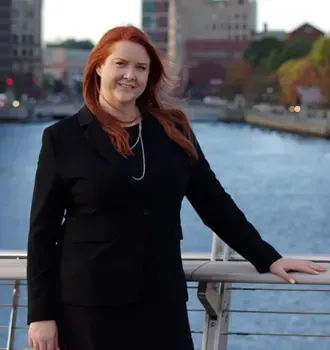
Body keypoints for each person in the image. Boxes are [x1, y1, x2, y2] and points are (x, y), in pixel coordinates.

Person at [27, 25, 326, 350]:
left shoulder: (173, 129)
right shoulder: (63, 138)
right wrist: (40, 315)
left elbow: (214, 202)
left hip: (161, 301)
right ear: (99, 67)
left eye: (141, 68)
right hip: (89, 307)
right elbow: (42, 234)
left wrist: (267, 258)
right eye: (121, 64)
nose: (130, 75)